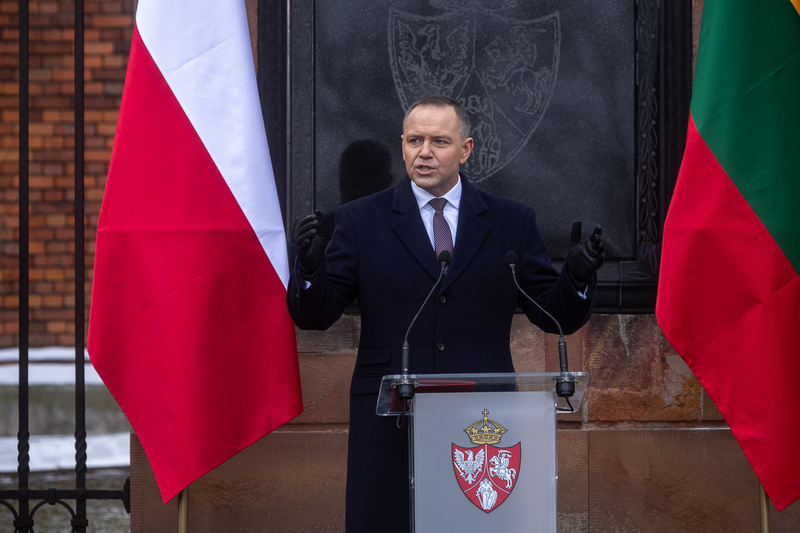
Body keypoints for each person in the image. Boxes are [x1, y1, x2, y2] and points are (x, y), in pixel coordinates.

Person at [287, 95, 605, 532]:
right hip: (391, 422)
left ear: (465, 149)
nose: (425, 152)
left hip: (481, 422)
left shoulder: (510, 222)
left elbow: (555, 314)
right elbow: (317, 315)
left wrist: (577, 275)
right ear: (402, 146)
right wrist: (309, 270)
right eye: (414, 140)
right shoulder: (361, 221)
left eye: (439, 141)